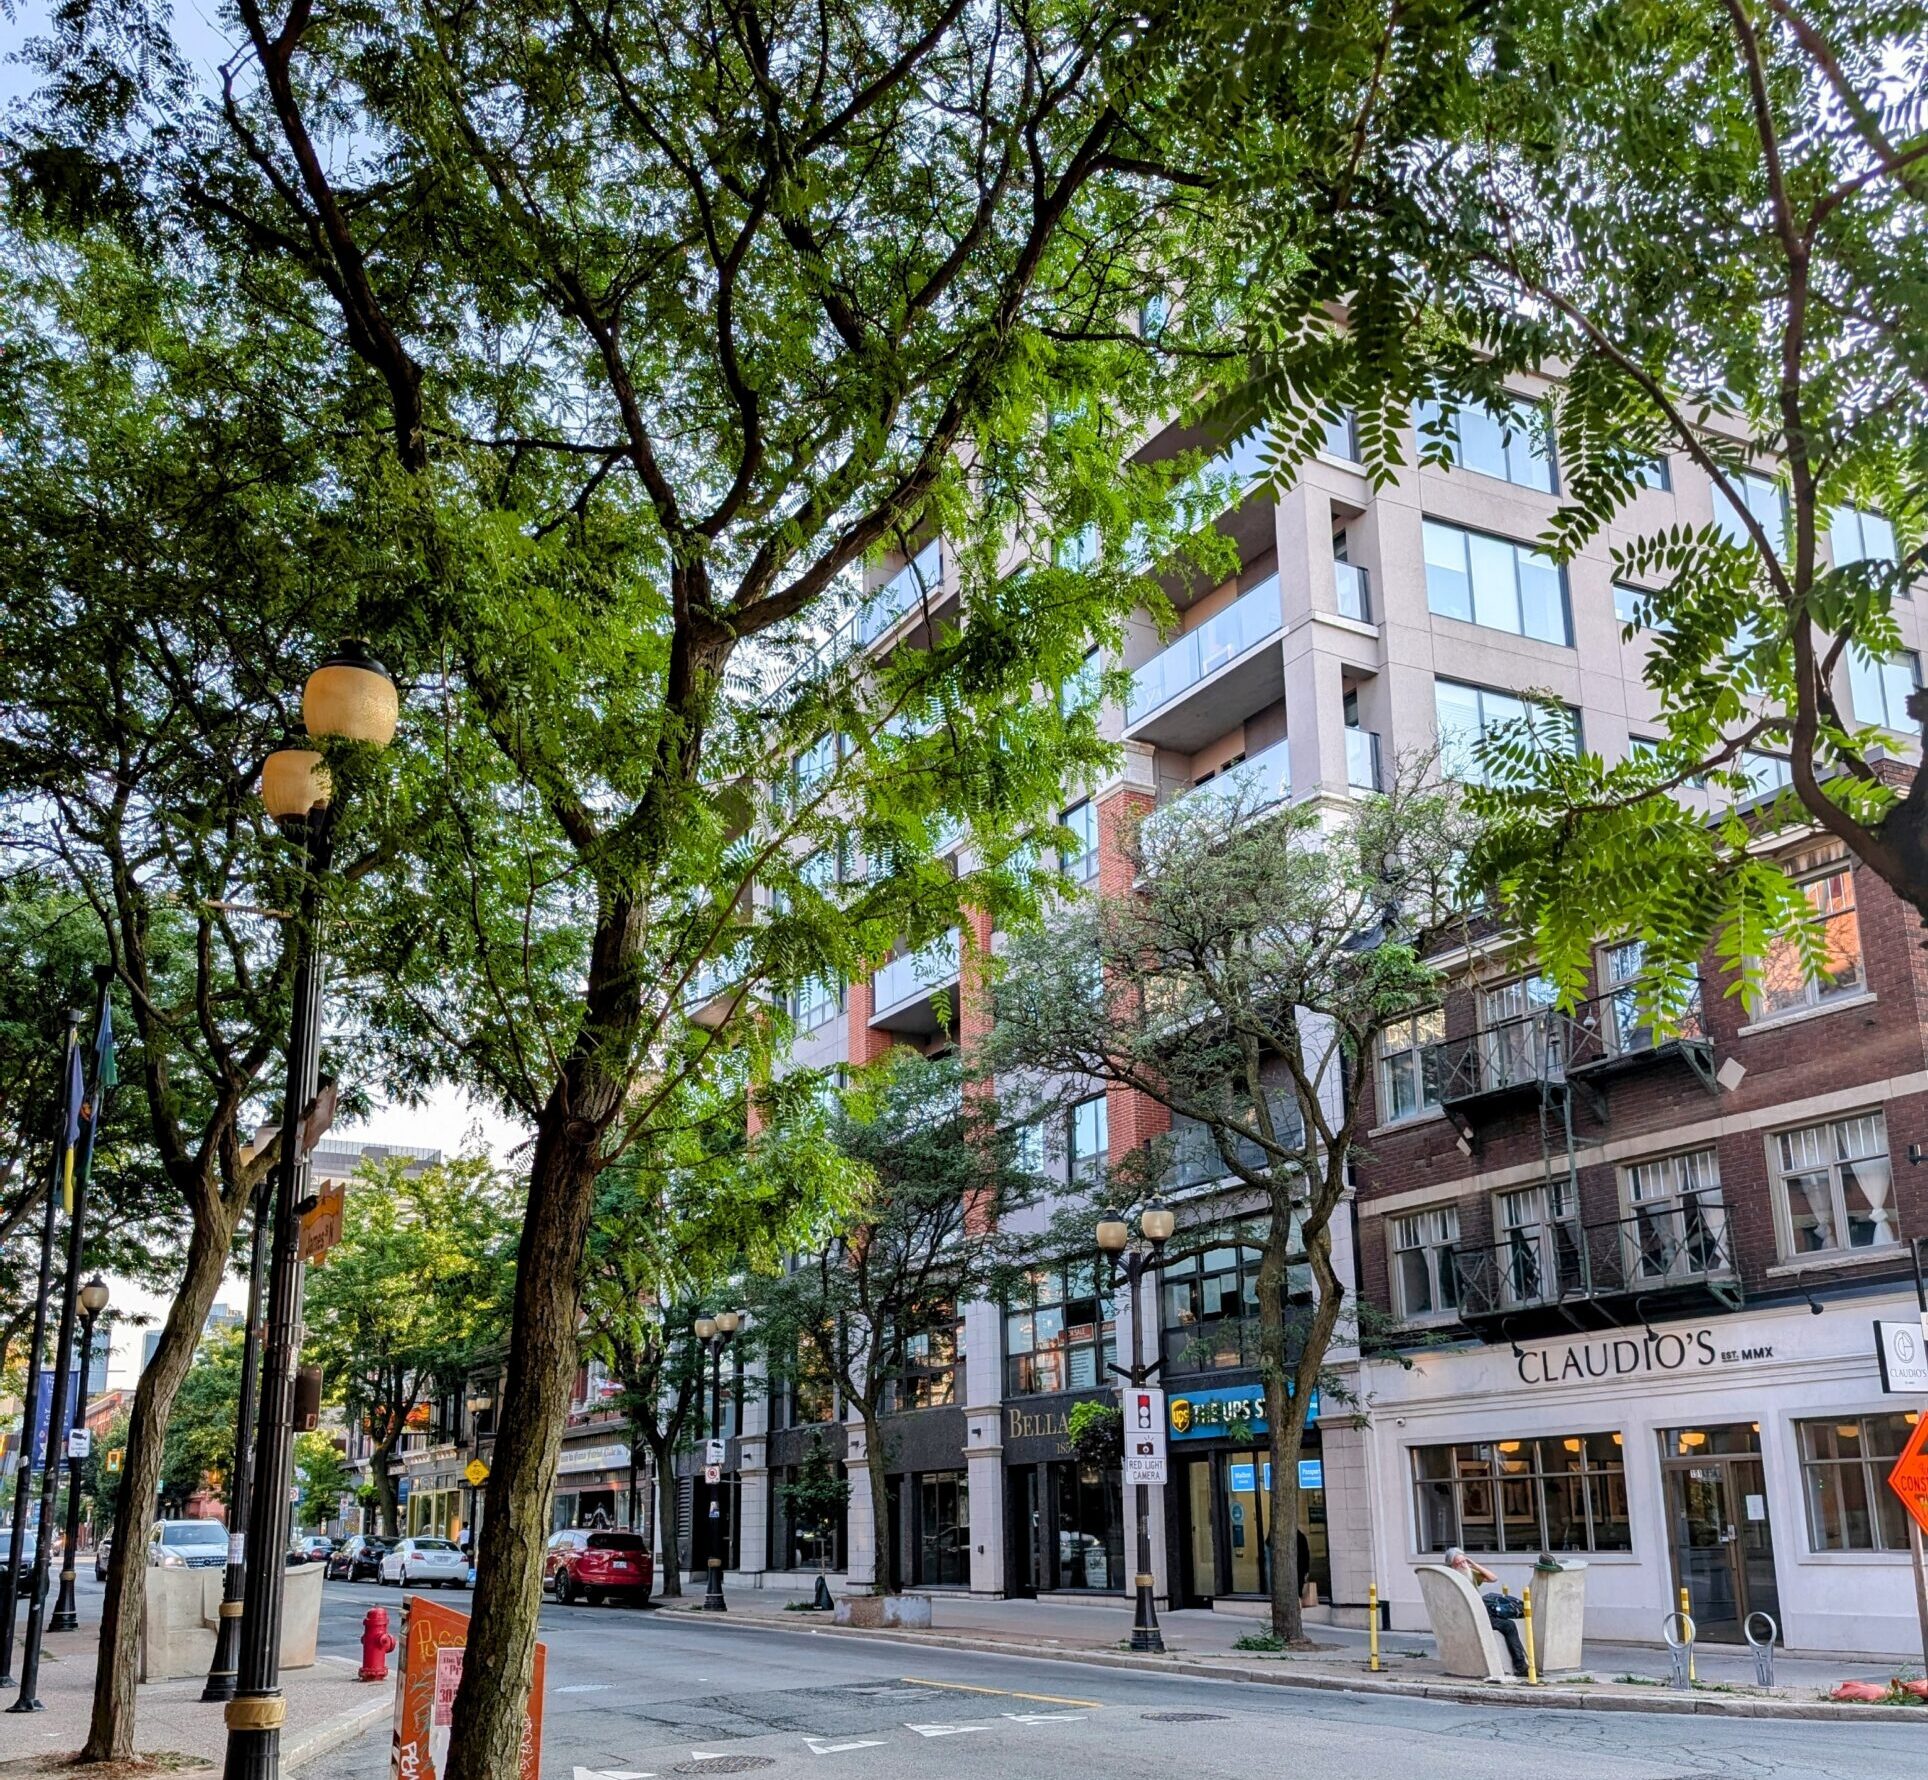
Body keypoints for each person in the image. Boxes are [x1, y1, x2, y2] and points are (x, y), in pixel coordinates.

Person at [1444, 1546, 1529, 1676]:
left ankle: (1521, 1664)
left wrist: (1473, 1564)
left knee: (1508, 1615)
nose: (1463, 1565)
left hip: (1480, 1610)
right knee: (1509, 1625)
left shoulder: (1469, 1572)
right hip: (1470, 1614)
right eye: (1459, 1563)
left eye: (1464, 1561)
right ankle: (1520, 1666)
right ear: (1452, 1565)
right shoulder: (1451, 1577)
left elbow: (1493, 1578)